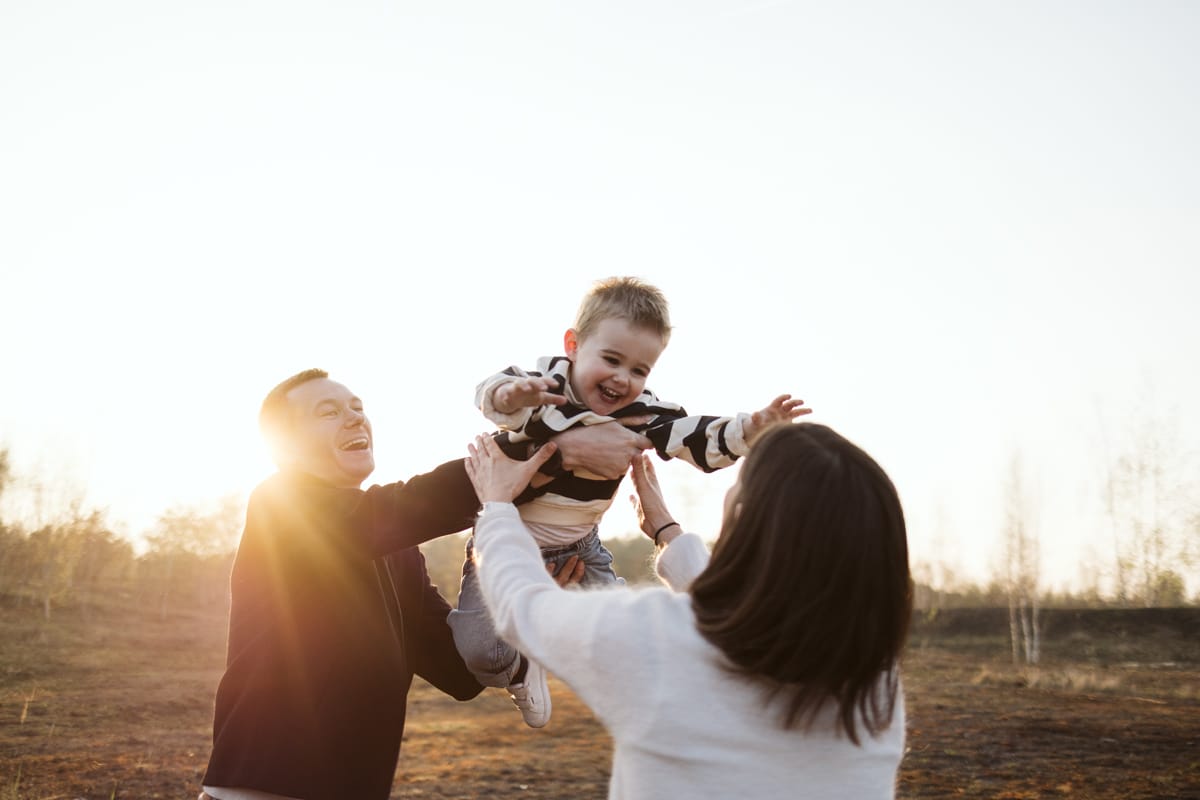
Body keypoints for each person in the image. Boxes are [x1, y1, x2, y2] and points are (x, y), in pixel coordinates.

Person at [199, 368, 652, 800]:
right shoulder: (281, 503)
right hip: (265, 783)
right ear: (286, 448)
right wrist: (537, 454)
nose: (356, 417)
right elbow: (401, 508)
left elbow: (459, 670)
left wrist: (521, 589)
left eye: (357, 407)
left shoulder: (396, 551)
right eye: (328, 412)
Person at [462, 421, 912, 799]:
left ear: (746, 519)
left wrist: (498, 507)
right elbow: (749, 616)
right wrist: (666, 531)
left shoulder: (656, 638)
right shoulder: (875, 687)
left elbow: (522, 606)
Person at [450, 276, 809, 727]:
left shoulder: (642, 414)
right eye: (612, 359)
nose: (623, 379)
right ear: (574, 345)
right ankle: (522, 667)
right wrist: (511, 395)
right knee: (481, 652)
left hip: (581, 546)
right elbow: (496, 395)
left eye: (640, 370)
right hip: (505, 535)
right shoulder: (542, 390)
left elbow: (694, 435)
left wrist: (747, 430)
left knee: (626, 643)